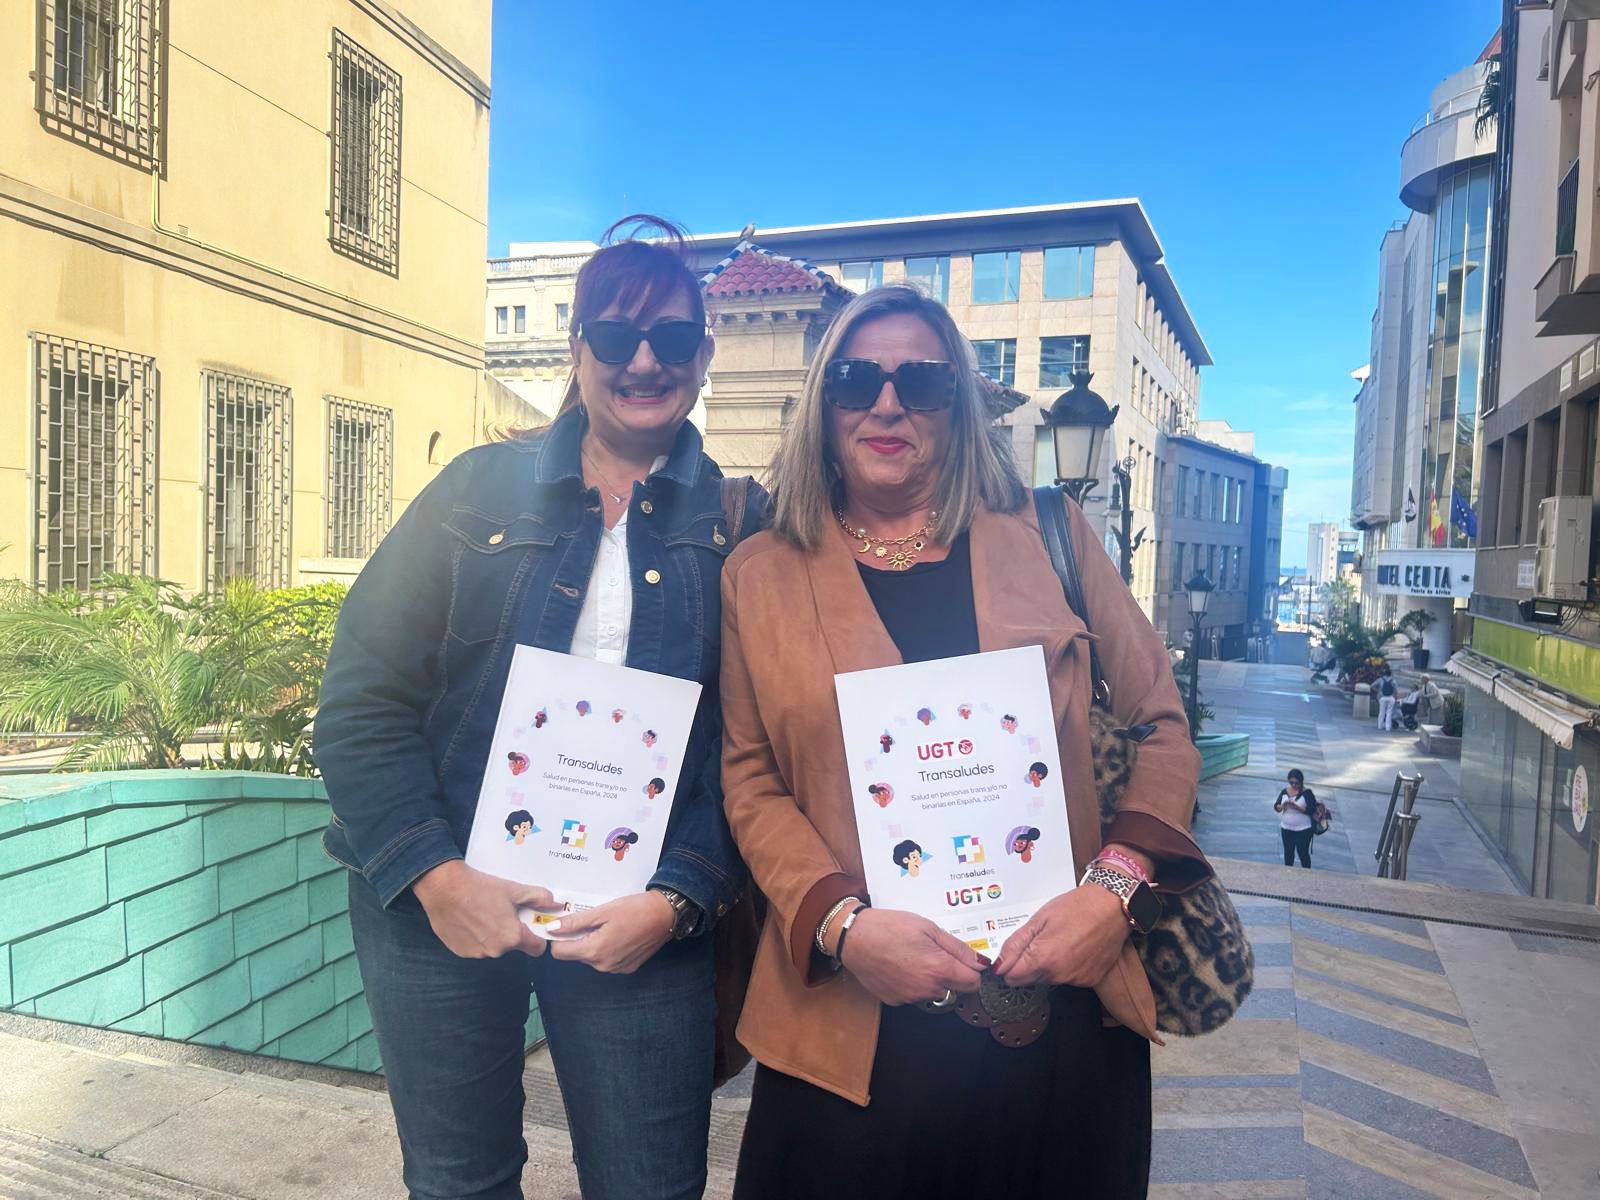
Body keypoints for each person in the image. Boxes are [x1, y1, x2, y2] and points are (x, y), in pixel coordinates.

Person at [720, 285, 1212, 1200]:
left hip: (1056, 1017)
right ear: (823, 405)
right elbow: (750, 780)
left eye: (924, 382)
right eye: (858, 380)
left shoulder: (1050, 533)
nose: (887, 404)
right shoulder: (760, 573)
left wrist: (1109, 897)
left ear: (961, 407)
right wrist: (842, 925)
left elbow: (1162, 727)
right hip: (847, 1034)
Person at [315, 215, 766, 1200]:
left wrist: (680, 896)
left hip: (640, 913)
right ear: (577, 351)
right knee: (459, 1182)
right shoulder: (474, 492)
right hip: (440, 906)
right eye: (615, 337)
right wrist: (435, 877)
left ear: (704, 353)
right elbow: (359, 701)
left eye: (672, 341)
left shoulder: (745, 527)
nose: (643, 361)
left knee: (649, 1186)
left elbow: (761, 748)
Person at [1274, 768, 1316, 869]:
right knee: (1288, 853)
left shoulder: (1307, 793)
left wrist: (1297, 807)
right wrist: (1282, 806)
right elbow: (1277, 806)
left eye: (1296, 783)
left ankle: (1307, 873)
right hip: (1286, 829)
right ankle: (1289, 874)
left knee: (1302, 852)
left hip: (1303, 830)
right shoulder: (1285, 792)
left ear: (1301, 782)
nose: (1293, 785)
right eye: (1291, 782)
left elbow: (1311, 810)